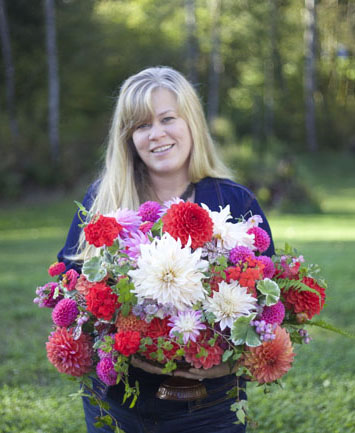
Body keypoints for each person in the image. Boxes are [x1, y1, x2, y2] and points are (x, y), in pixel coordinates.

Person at [57, 66, 275, 433]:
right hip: (117, 404)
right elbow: (69, 286)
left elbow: (271, 307)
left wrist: (230, 360)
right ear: (128, 138)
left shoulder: (233, 201)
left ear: (191, 121)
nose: (156, 134)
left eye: (167, 118)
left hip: (208, 404)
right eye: (142, 125)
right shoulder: (104, 200)